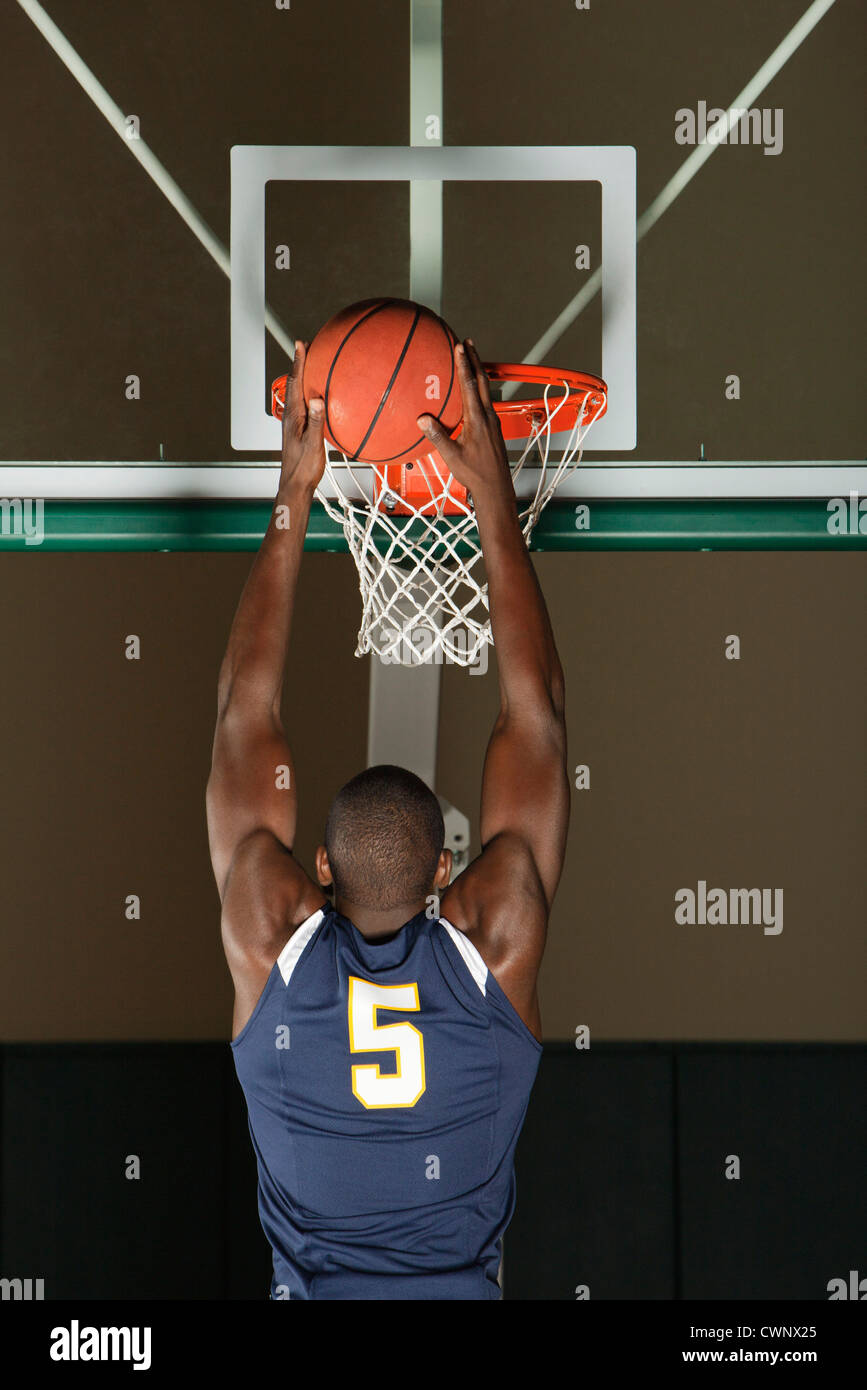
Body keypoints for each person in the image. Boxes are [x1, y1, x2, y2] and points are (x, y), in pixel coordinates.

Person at [206, 337, 569, 1299]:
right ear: (445, 872)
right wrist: (302, 485)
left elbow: (247, 713)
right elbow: (530, 720)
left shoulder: (281, 934)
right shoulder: (292, 941)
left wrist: (297, 495)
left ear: (319, 867)